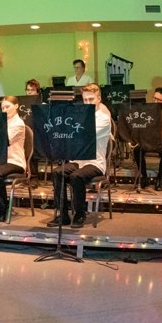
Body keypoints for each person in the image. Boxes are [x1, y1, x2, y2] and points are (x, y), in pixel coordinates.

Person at [47, 83, 112, 229]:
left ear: (99, 99)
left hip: (95, 163)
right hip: (78, 159)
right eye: (85, 100)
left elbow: (83, 135)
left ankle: (79, 214)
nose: (88, 103)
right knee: (58, 172)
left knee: (77, 176)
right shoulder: (78, 116)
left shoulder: (103, 118)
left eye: (91, 99)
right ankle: (62, 214)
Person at [133, 87, 162, 191]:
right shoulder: (147, 110)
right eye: (154, 98)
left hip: (161, 142)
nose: (155, 101)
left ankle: (159, 180)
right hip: (147, 140)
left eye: (158, 100)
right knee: (137, 150)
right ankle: (144, 177)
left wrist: (158, 134)